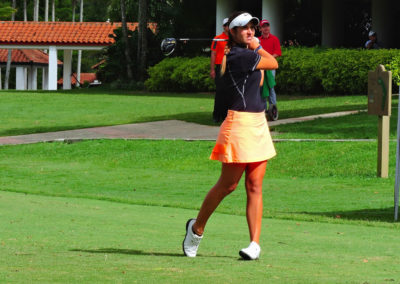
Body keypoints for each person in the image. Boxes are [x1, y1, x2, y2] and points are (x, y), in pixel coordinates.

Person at [182, 11, 278, 260]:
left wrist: (255, 47)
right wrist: (258, 46)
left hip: (258, 123)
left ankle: (254, 245)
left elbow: (257, 84)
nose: (250, 32)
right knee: (229, 185)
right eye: (244, 28)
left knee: (255, 185)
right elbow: (274, 63)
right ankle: (196, 229)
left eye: (252, 28)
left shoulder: (245, 54)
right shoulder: (239, 55)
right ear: (232, 33)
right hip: (239, 125)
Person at [258, 19, 281, 121]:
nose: (266, 28)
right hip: (261, 67)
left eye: (267, 26)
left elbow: (277, 53)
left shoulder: (274, 39)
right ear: (260, 29)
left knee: (271, 87)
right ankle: (262, 108)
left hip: (270, 67)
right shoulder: (258, 40)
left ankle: (273, 108)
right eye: (264, 26)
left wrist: (268, 59)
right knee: (261, 87)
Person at [211, 18, 230, 122]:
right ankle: (216, 115)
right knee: (220, 91)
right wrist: (212, 69)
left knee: (229, 91)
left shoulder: (234, 39)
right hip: (219, 66)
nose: (228, 26)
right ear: (223, 26)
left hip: (230, 67)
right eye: (226, 25)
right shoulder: (217, 38)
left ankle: (226, 115)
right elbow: (213, 53)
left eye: (230, 25)